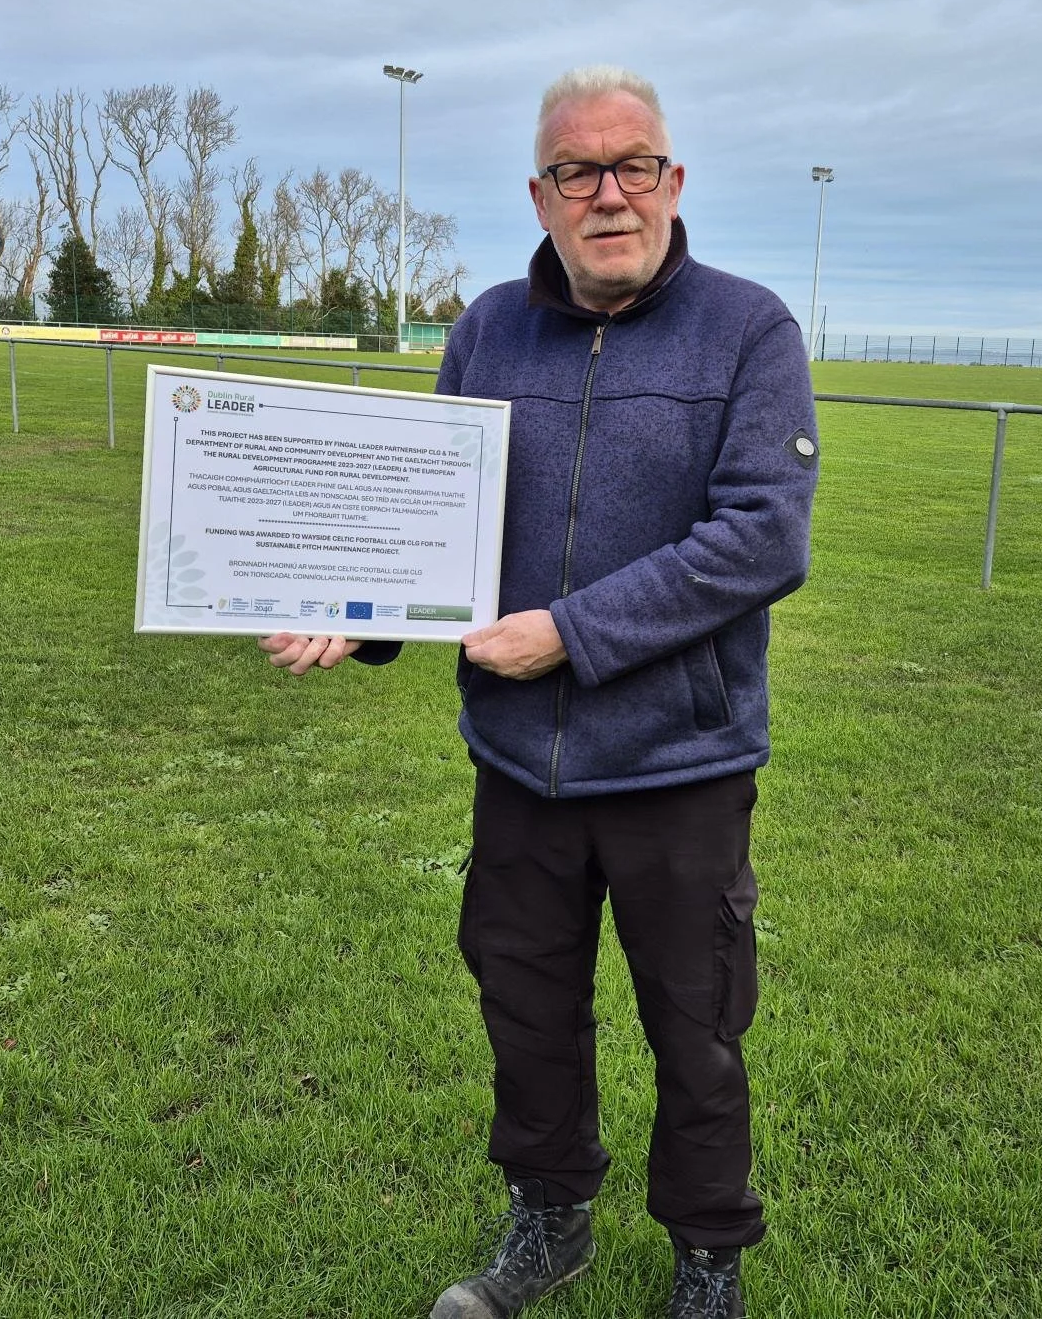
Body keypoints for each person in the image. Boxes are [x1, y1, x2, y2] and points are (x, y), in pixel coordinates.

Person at [261, 65, 818, 1319]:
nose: (606, 193)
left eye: (632, 166)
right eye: (577, 170)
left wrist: (570, 634)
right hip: (518, 763)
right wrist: (361, 623)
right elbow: (429, 531)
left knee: (695, 1023)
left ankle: (706, 1260)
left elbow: (761, 539)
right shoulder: (484, 330)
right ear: (540, 192)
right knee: (525, 1008)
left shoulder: (748, 330)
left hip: (679, 765)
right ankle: (548, 1221)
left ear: (672, 183)